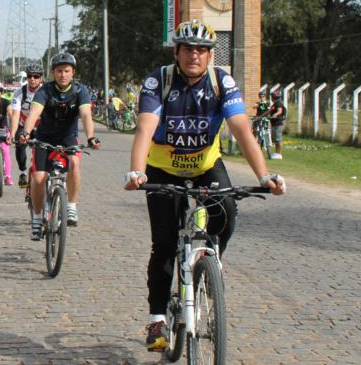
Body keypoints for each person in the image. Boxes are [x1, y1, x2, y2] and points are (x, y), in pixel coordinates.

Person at [123, 19, 286, 352]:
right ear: (177, 52)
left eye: (201, 50)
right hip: (163, 170)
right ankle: (158, 319)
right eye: (187, 49)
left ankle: (211, 261)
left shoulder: (221, 82)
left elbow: (241, 129)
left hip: (206, 166)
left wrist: (264, 176)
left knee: (227, 211)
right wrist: (136, 171)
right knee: (164, 244)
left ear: (210, 55)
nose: (194, 55)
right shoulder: (159, 80)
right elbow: (145, 128)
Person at [18, 53, 101, 238]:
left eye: (67, 71)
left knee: (74, 163)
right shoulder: (45, 91)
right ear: (53, 72)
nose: (63, 75)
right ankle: (37, 218)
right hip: (44, 138)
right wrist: (25, 132)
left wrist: (91, 137)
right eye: (59, 71)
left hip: (68, 138)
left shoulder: (80, 91)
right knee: (39, 177)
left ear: (73, 72)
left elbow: (86, 115)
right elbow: (34, 112)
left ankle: (71, 206)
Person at [10, 63, 44, 187]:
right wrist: (12, 134)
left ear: (41, 78)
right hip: (23, 125)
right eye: (29, 76)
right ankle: (23, 172)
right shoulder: (19, 92)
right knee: (20, 144)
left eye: (36, 76)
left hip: (41, 126)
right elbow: (15, 115)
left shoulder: (47, 91)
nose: (32, 79)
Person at [268, 90, 286, 159]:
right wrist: (260, 116)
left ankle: (279, 154)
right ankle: (276, 153)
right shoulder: (274, 104)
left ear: (274, 97)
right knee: (275, 139)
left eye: (272, 96)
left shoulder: (278, 103)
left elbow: (279, 111)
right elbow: (268, 111)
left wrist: (275, 115)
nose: (271, 98)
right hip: (274, 124)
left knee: (278, 139)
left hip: (278, 124)